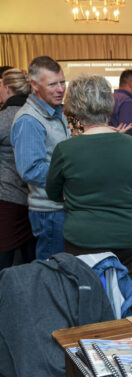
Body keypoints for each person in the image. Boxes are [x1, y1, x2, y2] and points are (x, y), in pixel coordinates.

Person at [45, 75, 132, 285]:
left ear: (75, 106)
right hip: (128, 234)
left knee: (88, 299)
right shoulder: (130, 144)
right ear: (109, 103)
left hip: (84, 237)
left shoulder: (66, 149)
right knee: (128, 296)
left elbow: (53, 193)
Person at [11, 56, 71, 260]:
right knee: (53, 272)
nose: (60, 89)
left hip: (58, 207)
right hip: (49, 211)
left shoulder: (55, 112)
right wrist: (70, 178)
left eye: (62, 82)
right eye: (53, 84)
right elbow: (31, 169)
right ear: (34, 85)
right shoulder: (29, 120)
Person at [0, 68, 36, 269]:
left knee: (4, 258)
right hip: (33, 197)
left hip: (7, 197)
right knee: (30, 258)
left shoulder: (5, 118)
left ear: (7, 88)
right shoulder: (35, 114)